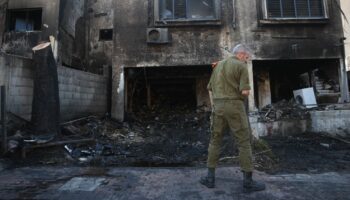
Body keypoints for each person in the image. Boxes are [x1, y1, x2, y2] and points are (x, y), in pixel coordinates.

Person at [200, 44, 266, 193]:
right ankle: (248, 183)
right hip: (234, 106)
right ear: (241, 54)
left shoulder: (217, 66)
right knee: (244, 142)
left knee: (215, 140)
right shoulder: (241, 66)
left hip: (218, 107)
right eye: (247, 57)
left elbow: (209, 87)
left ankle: (209, 178)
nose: (247, 59)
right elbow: (244, 91)